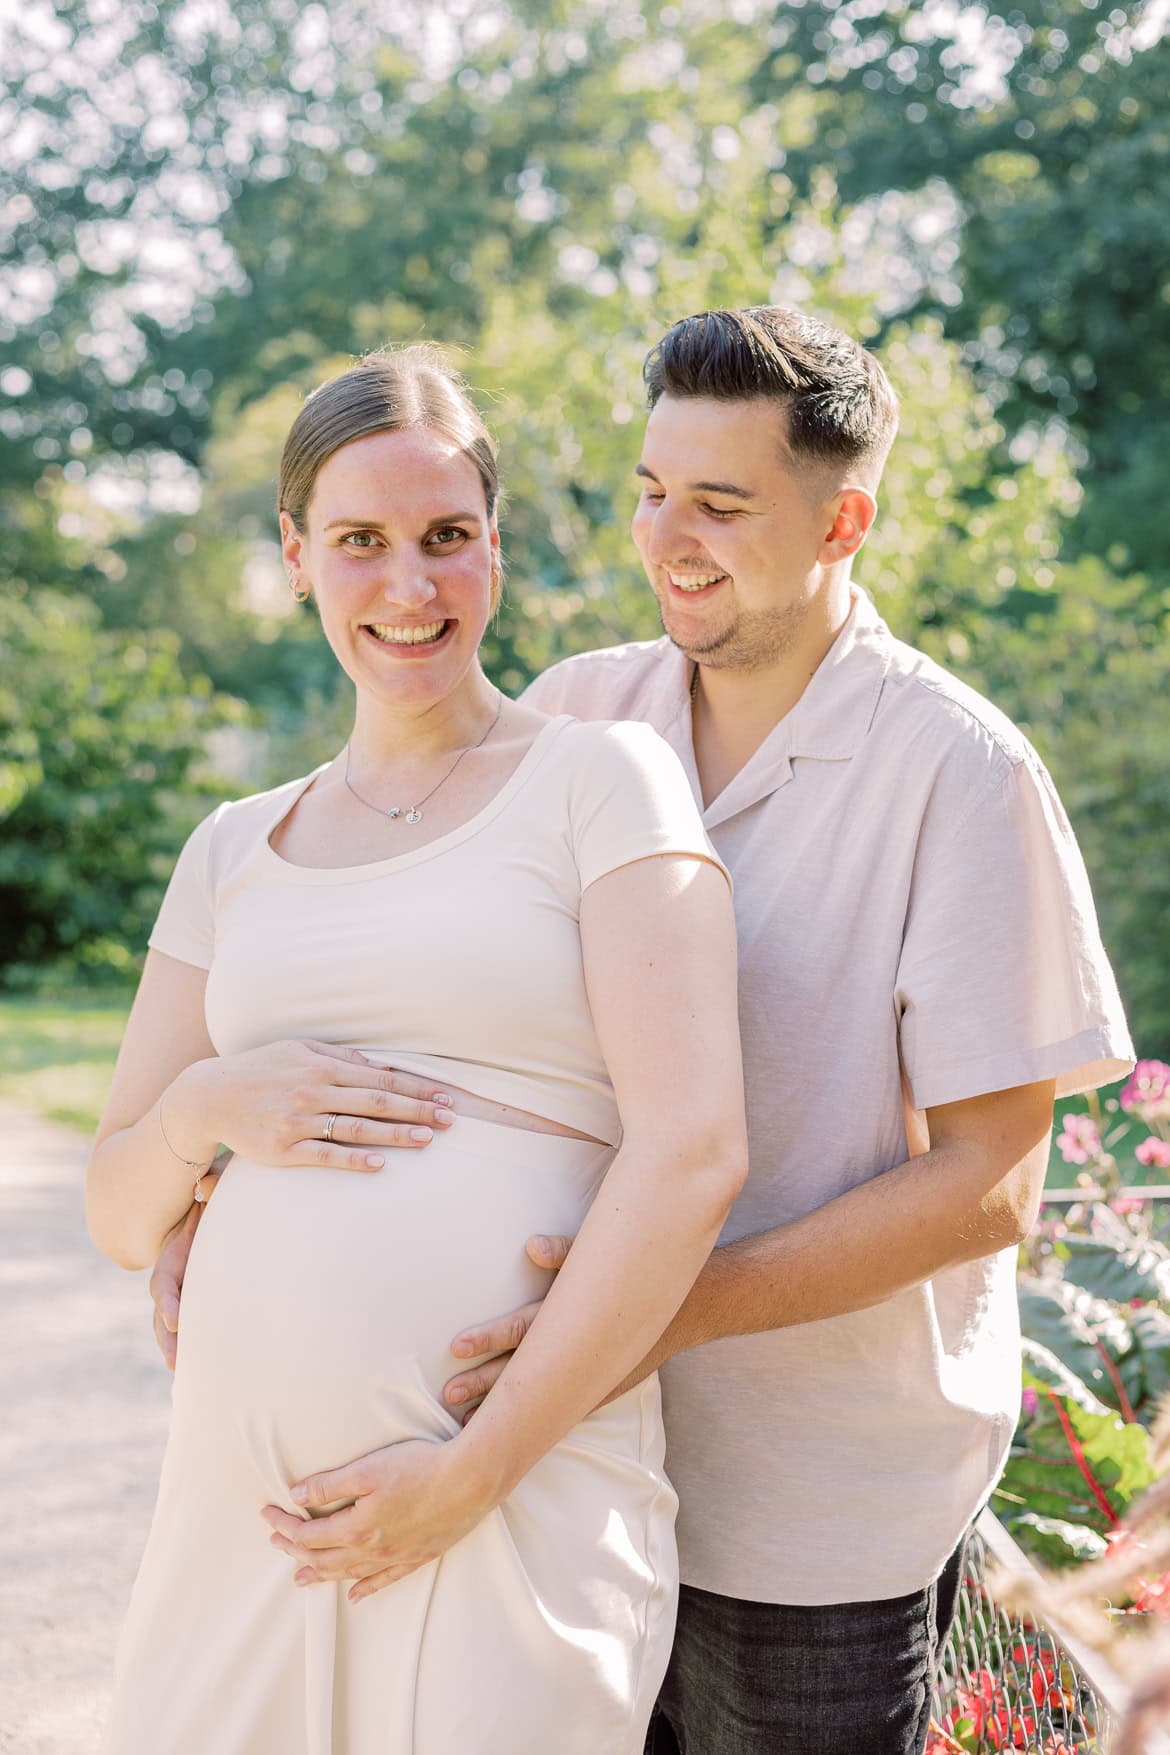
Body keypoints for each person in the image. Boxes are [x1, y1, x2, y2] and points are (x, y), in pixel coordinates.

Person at [150, 308, 1134, 1755]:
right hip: (559, 1459)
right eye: (650, 491)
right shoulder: (582, 712)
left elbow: (989, 1184)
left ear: (841, 518)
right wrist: (222, 1193)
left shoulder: (960, 774)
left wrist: (670, 1304)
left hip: (801, 1501)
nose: (668, 537)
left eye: (722, 505)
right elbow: (465, 1024)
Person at [87, 343, 748, 1755]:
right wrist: (209, 1106)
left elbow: (694, 1151)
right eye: (360, 542)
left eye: (447, 539)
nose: (409, 586)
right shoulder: (230, 850)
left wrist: (471, 1473)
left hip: (518, 1495)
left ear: (494, 551)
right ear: (296, 556)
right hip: (242, 1534)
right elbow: (116, 1207)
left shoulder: (599, 780)